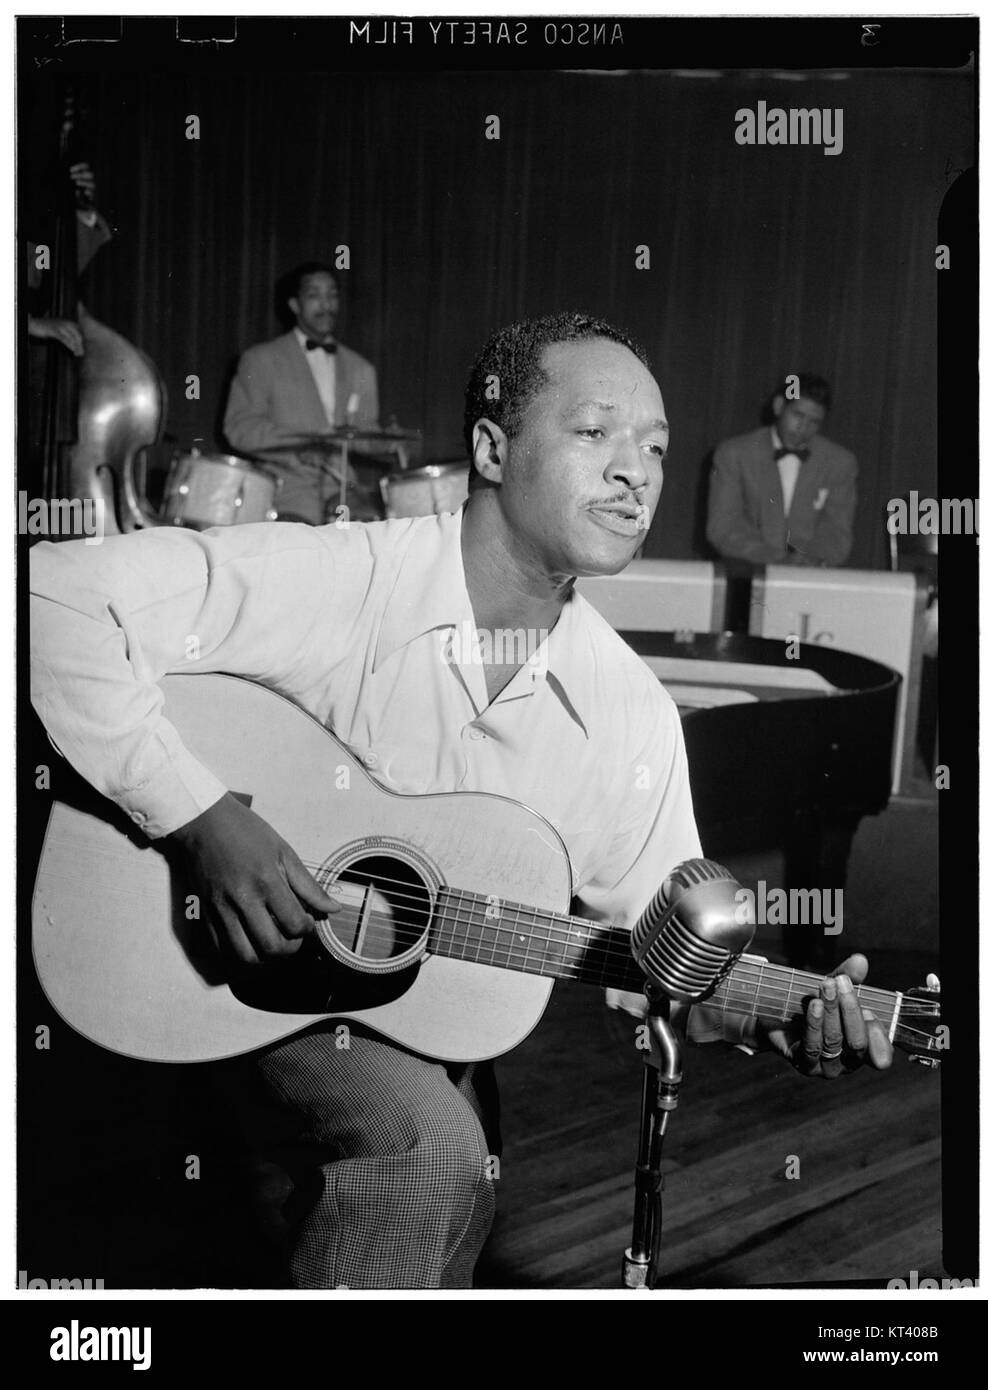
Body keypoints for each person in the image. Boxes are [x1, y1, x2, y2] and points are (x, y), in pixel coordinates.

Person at [30, 314, 891, 1291]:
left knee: (451, 1178)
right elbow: (50, 595)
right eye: (596, 432)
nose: (635, 472)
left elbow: (658, 957)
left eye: (653, 446)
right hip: (202, 957)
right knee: (431, 1157)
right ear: (489, 446)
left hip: (384, 1009)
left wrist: (775, 1015)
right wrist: (199, 817)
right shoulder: (347, 576)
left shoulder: (631, 713)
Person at [223, 262, 380, 524]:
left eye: (332, 295)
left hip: (344, 493)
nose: (325, 305)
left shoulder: (361, 368)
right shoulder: (259, 359)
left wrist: (389, 442)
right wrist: (302, 444)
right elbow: (240, 429)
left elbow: (364, 434)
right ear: (294, 305)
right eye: (314, 296)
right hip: (283, 493)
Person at [706, 374, 857, 566]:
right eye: (798, 415)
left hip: (811, 576)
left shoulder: (840, 462)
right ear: (778, 406)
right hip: (748, 571)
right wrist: (778, 560)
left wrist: (810, 562)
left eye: (814, 422)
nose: (803, 428)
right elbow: (723, 528)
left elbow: (837, 532)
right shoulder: (734, 453)